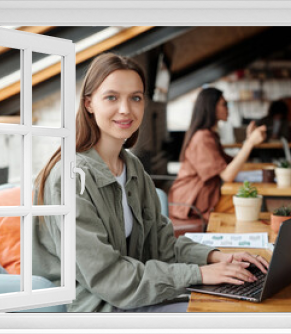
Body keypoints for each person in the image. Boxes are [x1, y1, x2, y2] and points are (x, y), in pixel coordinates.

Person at [31, 53, 269, 313]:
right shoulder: (69, 179)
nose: (126, 109)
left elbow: (162, 246)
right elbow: (109, 277)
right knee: (222, 315)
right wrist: (201, 274)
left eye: (135, 97)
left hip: (138, 295)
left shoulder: (132, 169)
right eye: (111, 97)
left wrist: (218, 257)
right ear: (89, 104)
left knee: (242, 305)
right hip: (95, 309)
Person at [168, 88, 266, 221]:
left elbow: (232, 164)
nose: (228, 109)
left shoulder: (210, 135)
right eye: (224, 104)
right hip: (191, 202)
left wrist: (248, 141)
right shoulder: (202, 138)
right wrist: (249, 143)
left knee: (247, 203)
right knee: (245, 206)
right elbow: (227, 175)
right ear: (211, 107)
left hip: (204, 195)